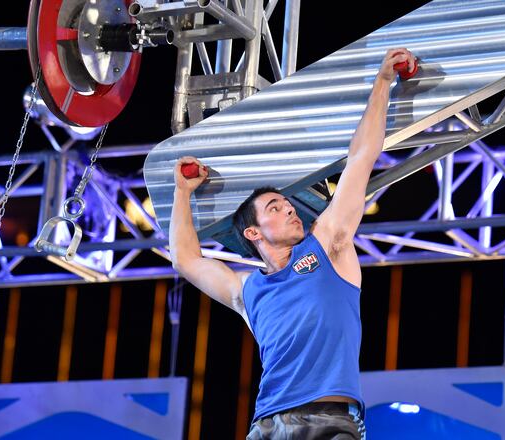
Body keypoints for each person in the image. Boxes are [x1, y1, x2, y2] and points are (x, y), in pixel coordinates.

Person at [170, 48, 416, 440]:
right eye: (275, 207)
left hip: (333, 420)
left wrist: (383, 83)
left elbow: (360, 158)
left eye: (287, 204)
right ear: (253, 233)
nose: (289, 210)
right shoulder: (246, 290)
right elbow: (185, 260)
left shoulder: (327, 244)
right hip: (267, 426)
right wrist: (182, 192)